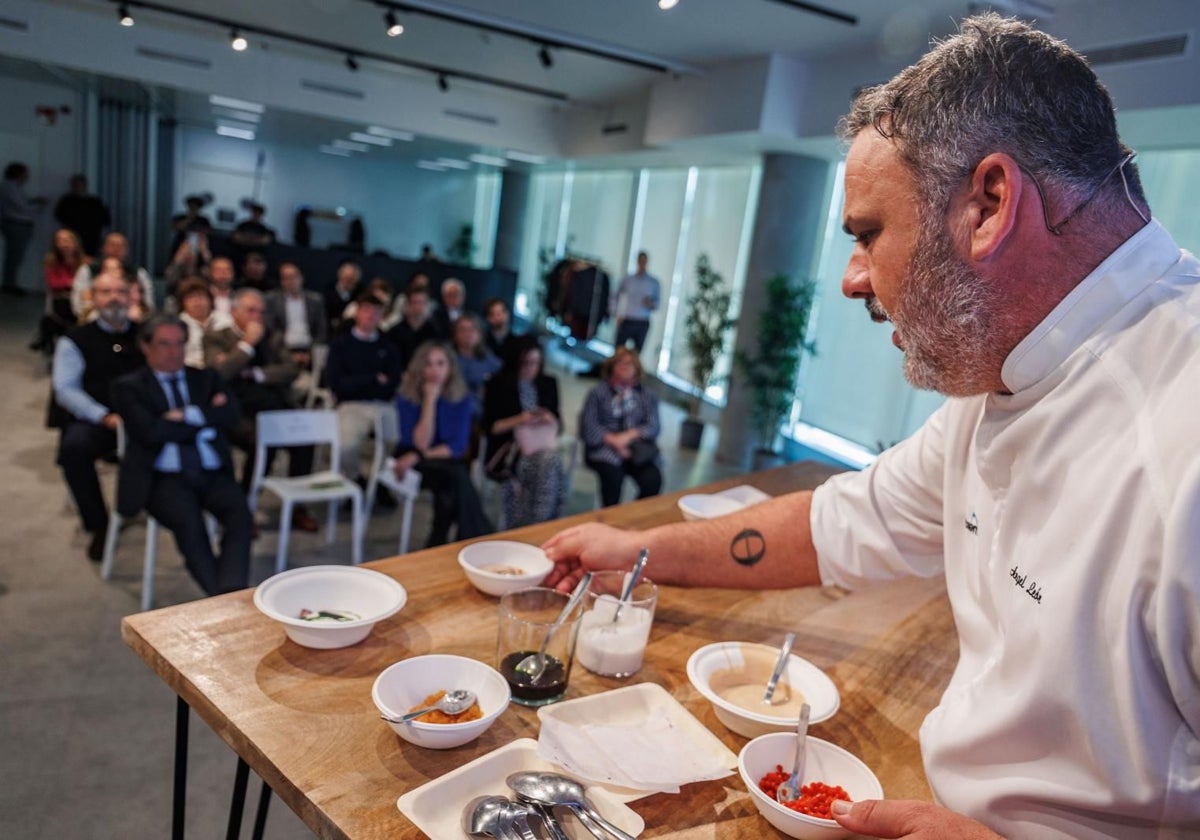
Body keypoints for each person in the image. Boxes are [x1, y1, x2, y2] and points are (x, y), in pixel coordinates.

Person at [542, 14, 1200, 840]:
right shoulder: (1001, 376)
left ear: (988, 205)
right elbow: (842, 522)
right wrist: (639, 553)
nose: (853, 279)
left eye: (869, 235)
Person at [112, 316, 253, 597]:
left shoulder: (204, 378)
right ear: (145, 346)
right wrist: (204, 420)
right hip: (164, 477)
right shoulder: (129, 386)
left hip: (211, 471)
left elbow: (232, 416)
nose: (174, 352)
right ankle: (226, 601)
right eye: (165, 344)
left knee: (241, 516)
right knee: (190, 525)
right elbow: (150, 432)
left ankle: (229, 591)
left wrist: (187, 415)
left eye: (180, 344)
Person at [204, 289, 318, 532]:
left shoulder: (273, 338)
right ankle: (244, 504)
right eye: (251, 310)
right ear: (234, 312)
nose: (257, 316)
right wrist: (246, 345)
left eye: (261, 311)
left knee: (305, 440)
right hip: (238, 410)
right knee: (263, 441)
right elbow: (220, 375)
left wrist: (257, 374)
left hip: (274, 404)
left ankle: (298, 505)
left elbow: (291, 369)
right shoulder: (217, 338)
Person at [51, 272, 144, 560]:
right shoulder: (75, 339)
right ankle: (100, 524)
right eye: (106, 292)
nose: (114, 297)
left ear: (131, 296)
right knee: (73, 449)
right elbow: (65, 389)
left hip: (142, 420)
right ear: (93, 297)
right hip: (99, 419)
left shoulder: (148, 335)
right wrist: (104, 416)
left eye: (120, 291)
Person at [391, 341, 492, 547]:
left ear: (450, 367)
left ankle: (440, 540)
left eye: (440, 364)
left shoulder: (461, 399)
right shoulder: (407, 396)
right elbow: (419, 442)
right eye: (428, 364)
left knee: (452, 479)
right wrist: (430, 400)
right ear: (420, 368)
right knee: (456, 476)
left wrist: (420, 455)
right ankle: (474, 536)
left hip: (435, 459)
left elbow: (456, 447)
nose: (435, 370)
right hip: (407, 457)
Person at [482, 335, 564, 528]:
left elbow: (559, 426)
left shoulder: (547, 384)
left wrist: (548, 418)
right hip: (510, 449)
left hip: (541, 444)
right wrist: (520, 420)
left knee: (549, 461)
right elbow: (491, 427)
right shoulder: (499, 384)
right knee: (549, 463)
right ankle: (540, 522)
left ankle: (539, 521)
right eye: (526, 363)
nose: (531, 368)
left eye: (535, 363)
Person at [325, 292, 402, 492]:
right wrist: (373, 378)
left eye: (376, 312)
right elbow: (336, 384)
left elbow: (392, 383)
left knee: (396, 441)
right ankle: (355, 479)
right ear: (357, 313)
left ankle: (380, 483)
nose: (370, 316)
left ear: (382, 317)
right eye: (366, 311)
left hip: (382, 404)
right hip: (351, 405)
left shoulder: (389, 346)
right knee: (344, 446)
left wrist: (358, 381)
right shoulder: (341, 344)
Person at [577, 347, 661, 507]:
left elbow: (654, 426)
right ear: (611, 366)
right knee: (613, 478)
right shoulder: (598, 393)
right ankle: (611, 521)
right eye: (620, 363)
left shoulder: (646, 395)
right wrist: (613, 440)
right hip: (604, 449)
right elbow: (588, 426)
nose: (624, 366)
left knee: (652, 479)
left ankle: (633, 517)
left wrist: (629, 435)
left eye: (629, 364)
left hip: (636, 448)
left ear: (637, 369)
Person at [72, 231, 155, 320]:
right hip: (95, 318)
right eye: (112, 245)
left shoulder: (138, 272)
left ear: (126, 250)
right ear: (103, 248)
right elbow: (79, 303)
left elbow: (148, 303)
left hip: (131, 317)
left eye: (120, 246)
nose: (116, 249)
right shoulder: (87, 270)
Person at [31, 228, 85, 354]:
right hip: (60, 300)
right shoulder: (51, 262)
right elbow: (53, 284)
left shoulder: (85, 261)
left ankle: (44, 339)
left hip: (81, 299)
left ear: (75, 242)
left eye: (66, 240)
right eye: (59, 240)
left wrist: (71, 284)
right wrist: (72, 283)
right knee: (52, 316)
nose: (63, 244)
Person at [263, 261, 327, 366]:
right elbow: (272, 331)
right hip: (283, 347)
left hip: (309, 347)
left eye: (293, 276)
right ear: (281, 281)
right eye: (285, 278)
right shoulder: (272, 299)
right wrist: (288, 356)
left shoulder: (315, 300)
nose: (290, 281)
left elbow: (322, 330)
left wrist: (311, 354)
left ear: (301, 277)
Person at [450, 313, 501, 417]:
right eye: (462, 330)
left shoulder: (488, 358)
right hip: (452, 411)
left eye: (472, 329)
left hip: (481, 414)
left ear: (479, 333)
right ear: (455, 334)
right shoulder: (447, 358)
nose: (467, 334)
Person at [176, 277, 231, 368]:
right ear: (182, 303)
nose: (196, 302)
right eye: (190, 297)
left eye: (200, 296)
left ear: (210, 299)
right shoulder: (178, 324)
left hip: (222, 369)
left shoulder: (225, 319)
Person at [611, 251, 660, 352]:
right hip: (627, 319)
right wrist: (615, 312)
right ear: (637, 261)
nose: (642, 263)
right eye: (640, 261)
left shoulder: (653, 283)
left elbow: (657, 305)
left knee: (636, 354)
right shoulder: (628, 279)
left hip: (642, 321)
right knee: (618, 350)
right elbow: (615, 296)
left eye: (644, 261)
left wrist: (650, 304)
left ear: (647, 262)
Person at [1, 162, 38, 295]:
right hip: (15, 224)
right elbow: (20, 206)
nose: (27, 176)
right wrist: (36, 207)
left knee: (15, 256)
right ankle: (9, 284)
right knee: (14, 256)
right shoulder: (9, 187)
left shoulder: (16, 187)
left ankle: (10, 282)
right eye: (25, 173)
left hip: (19, 224)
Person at [385, 283, 439, 372]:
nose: (418, 307)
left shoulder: (434, 332)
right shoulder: (395, 332)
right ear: (408, 304)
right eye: (415, 302)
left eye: (421, 303)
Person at [53, 174, 109, 256]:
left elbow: (104, 218)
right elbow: (59, 215)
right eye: (75, 185)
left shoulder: (94, 201)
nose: (78, 187)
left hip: (91, 236)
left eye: (80, 185)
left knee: (89, 256)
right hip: (72, 234)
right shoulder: (66, 201)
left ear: (85, 185)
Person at [324, 259, 361, 334]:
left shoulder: (361, 293)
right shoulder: (327, 292)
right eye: (346, 278)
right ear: (340, 276)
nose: (349, 282)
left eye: (352, 279)